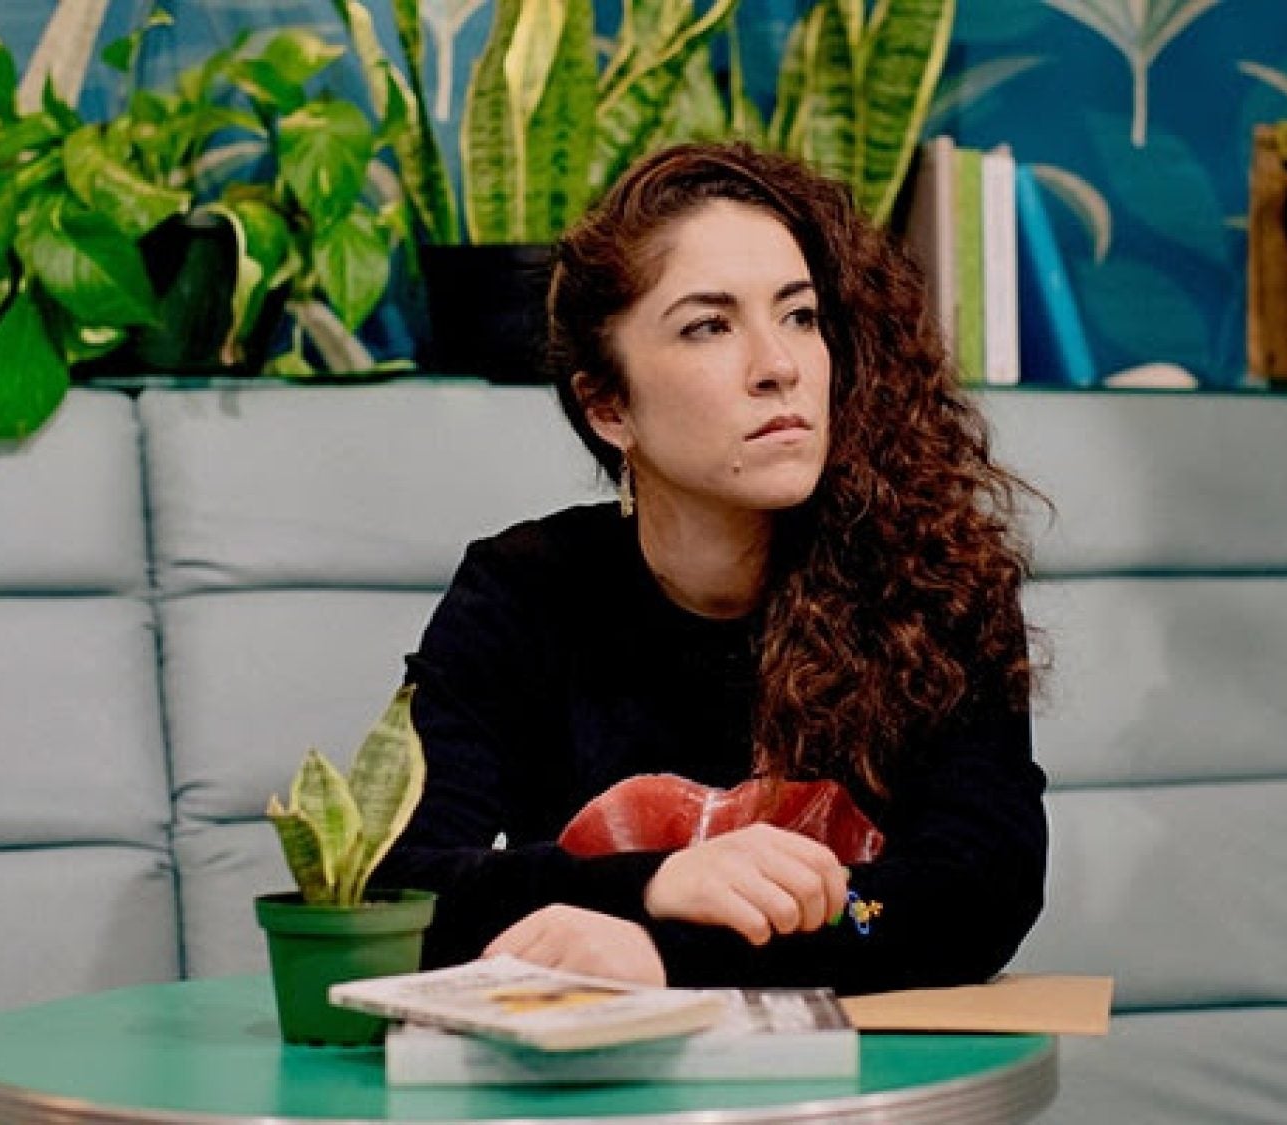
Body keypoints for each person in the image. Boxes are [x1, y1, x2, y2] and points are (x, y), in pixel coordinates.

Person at [372, 141, 1046, 995]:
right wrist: (653, 881)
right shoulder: (523, 590)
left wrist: (665, 955)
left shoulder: (936, 580)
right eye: (709, 325)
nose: (780, 366)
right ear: (608, 405)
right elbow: (392, 889)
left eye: (800, 315)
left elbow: (977, 893)